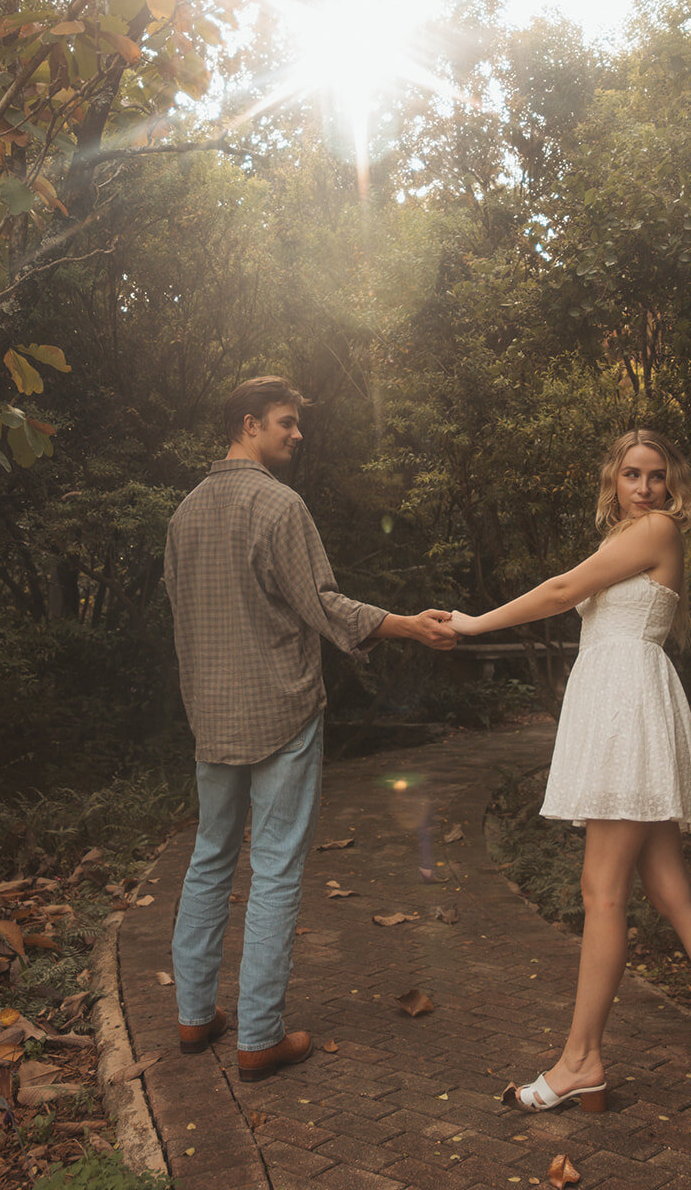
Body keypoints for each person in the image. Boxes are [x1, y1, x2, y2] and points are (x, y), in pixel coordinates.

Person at [450, 430, 691, 1119]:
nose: (647, 487)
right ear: (613, 481)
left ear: (670, 485)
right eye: (633, 474)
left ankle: (579, 1062)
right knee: (673, 894)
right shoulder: (630, 537)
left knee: (602, 894)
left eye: (657, 475)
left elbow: (564, 590)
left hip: (628, 710)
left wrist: (475, 625)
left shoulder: (655, 530)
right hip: (629, 704)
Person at [164, 375, 456, 1083]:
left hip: (212, 714)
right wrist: (409, 626)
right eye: (286, 423)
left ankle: (195, 1017)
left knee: (209, 857)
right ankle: (260, 1036)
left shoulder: (184, 514)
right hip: (281, 710)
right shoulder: (278, 505)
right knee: (275, 868)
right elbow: (325, 605)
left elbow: (182, 619)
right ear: (249, 422)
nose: (297, 434)